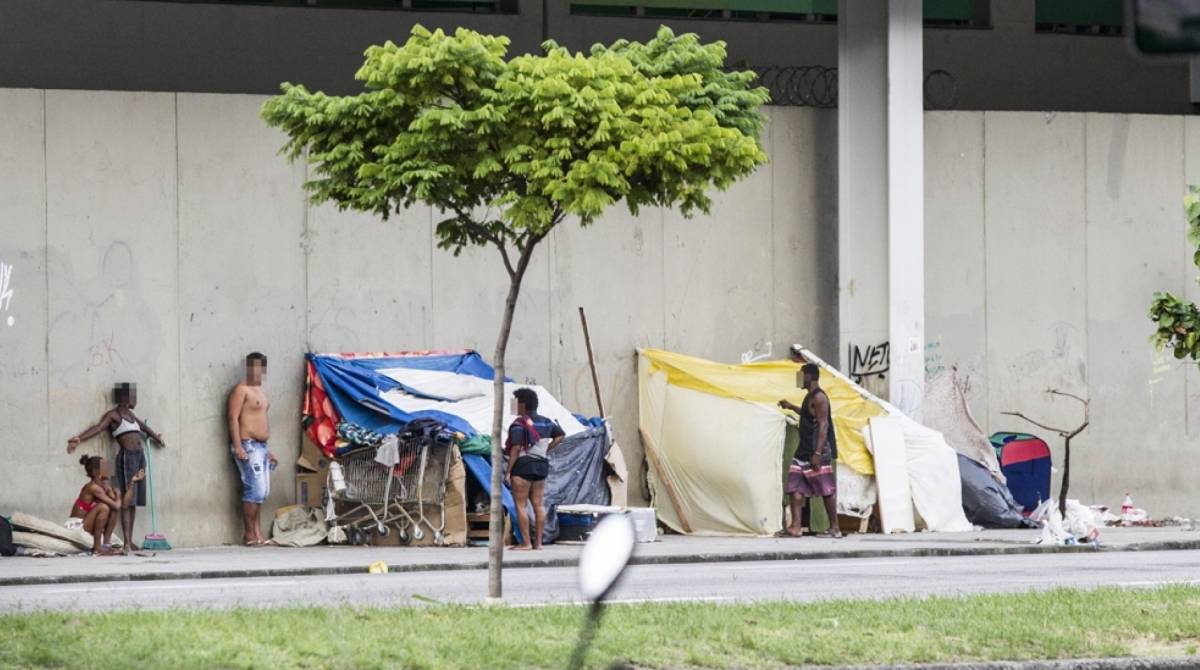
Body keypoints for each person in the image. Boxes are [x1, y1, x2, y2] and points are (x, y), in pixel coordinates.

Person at [67, 382, 166, 552]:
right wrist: (80, 438)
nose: (135, 399)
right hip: (127, 458)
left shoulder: (132, 416)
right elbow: (98, 428)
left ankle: (130, 541)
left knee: (134, 501)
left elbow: (145, 428)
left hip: (140, 457)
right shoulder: (113, 415)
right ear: (125, 397)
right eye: (133, 395)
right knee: (126, 499)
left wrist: (157, 438)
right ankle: (126, 542)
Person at [778, 363, 842, 538]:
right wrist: (791, 407)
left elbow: (823, 425)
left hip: (816, 451)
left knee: (825, 489)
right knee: (794, 487)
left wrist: (818, 454)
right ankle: (796, 527)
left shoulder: (820, 397)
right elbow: (808, 414)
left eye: (802, 375)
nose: (800, 378)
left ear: (810, 376)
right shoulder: (810, 397)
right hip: (803, 451)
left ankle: (834, 528)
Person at [504, 387, 564, 551]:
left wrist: (508, 471)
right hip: (541, 466)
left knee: (521, 505)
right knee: (538, 505)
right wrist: (546, 449)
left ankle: (526, 543)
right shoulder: (546, 421)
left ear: (522, 404)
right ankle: (538, 543)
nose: (512, 405)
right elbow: (560, 435)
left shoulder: (518, 424)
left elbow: (515, 449)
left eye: (514, 402)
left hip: (523, 466)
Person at [227, 352, 276, 546]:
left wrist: (267, 450)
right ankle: (249, 534)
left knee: (262, 493)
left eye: (260, 367)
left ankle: (258, 534)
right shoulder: (241, 390)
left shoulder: (261, 392)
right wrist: (238, 445)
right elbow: (233, 418)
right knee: (254, 490)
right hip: (247, 445)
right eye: (253, 367)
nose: (257, 371)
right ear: (247, 368)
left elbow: (261, 419)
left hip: (261, 448)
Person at [71, 455, 144, 555]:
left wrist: (132, 482)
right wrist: (117, 495)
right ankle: (97, 547)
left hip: (87, 523)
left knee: (111, 509)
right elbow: (117, 505)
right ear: (97, 472)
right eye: (106, 466)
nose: (109, 469)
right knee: (103, 507)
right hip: (77, 525)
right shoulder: (93, 487)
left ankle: (106, 543)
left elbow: (123, 505)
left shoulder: (105, 487)